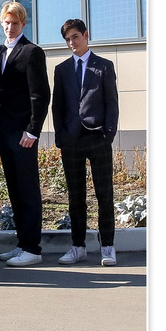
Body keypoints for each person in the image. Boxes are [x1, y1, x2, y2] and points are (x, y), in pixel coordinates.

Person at [51, 18, 121, 267]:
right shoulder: (61, 70)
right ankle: (78, 246)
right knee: (75, 197)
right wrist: (60, 136)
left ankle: (108, 246)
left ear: (86, 35)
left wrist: (108, 133)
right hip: (71, 140)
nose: (72, 43)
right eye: (68, 39)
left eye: (75, 37)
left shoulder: (103, 66)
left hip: (97, 137)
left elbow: (111, 103)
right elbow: (57, 105)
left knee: (104, 195)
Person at [0, 2, 53, 265]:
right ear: (1, 23)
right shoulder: (1, 53)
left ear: (23, 24)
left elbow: (40, 95)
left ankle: (33, 249)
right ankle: (23, 243)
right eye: (6, 22)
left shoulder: (32, 52)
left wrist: (33, 130)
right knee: (14, 188)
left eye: (15, 23)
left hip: (23, 134)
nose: (10, 26)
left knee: (27, 189)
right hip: (4, 132)